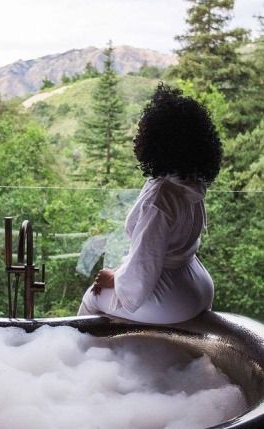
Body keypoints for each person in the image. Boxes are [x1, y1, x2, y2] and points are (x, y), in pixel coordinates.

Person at [78, 83, 222, 324]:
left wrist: (113, 279)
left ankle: (79, 360)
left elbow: (145, 264)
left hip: (171, 297)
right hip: (197, 285)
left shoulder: (161, 195)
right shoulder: (191, 182)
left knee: (94, 297)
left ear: (157, 139)